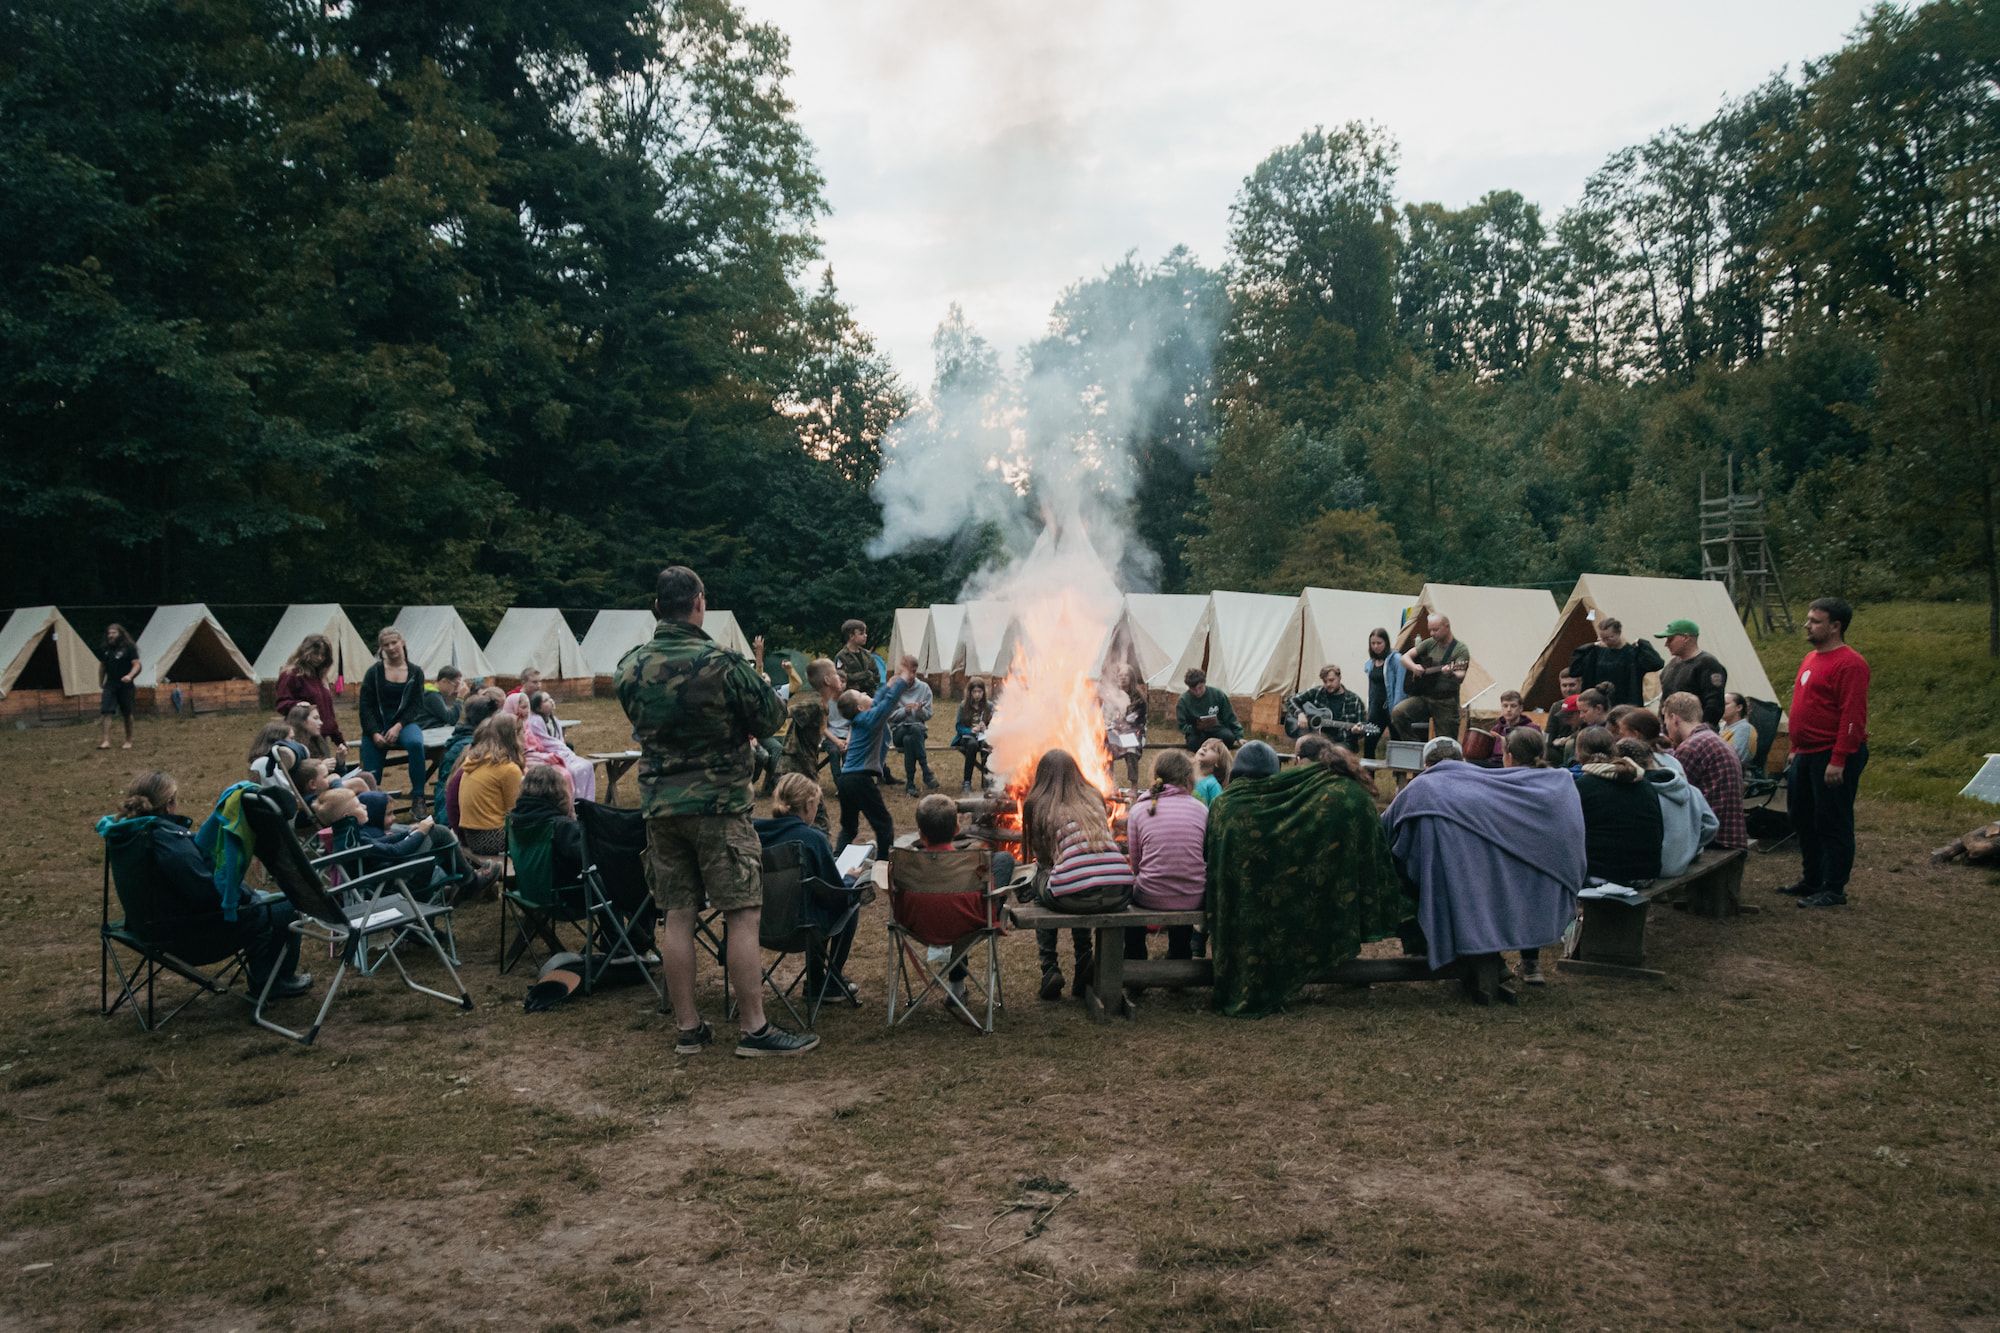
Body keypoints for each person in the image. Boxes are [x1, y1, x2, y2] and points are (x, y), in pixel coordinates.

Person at [614, 565, 811, 1057]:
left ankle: (688, 1028)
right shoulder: (722, 663)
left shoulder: (630, 666)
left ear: (658, 607)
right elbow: (772, 716)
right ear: (699, 603)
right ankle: (754, 1029)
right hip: (719, 805)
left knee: (677, 915)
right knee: (741, 912)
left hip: (660, 806)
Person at [1204, 740, 1403, 1017]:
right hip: (1323, 895)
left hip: (1245, 905)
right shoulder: (1337, 794)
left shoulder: (1226, 804)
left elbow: (1209, 855)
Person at [1381, 743, 1585, 988]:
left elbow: (1385, 830)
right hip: (1492, 874)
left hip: (1447, 880)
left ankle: (1457, 955)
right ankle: (1526, 964)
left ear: (1426, 766)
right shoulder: (1489, 786)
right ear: (1463, 761)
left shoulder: (1422, 787)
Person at [97, 772, 309, 998]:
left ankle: (265, 975)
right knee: (285, 905)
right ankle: (274, 981)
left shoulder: (127, 832)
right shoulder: (165, 841)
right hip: (187, 936)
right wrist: (246, 895)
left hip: (146, 925)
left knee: (263, 898)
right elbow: (207, 895)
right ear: (170, 804)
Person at [1023, 749, 1134, 1000]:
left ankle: (1049, 967)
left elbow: (1043, 858)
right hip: (1119, 890)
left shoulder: (1039, 803)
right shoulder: (1093, 796)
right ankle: (1084, 959)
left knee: (1044, 875)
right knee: (1079, 877)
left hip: (1075, 893)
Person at [1783, 597, 1870, 908]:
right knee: (1801, 817)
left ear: (1835, 626)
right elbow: (1805, 708)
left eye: (1815, 621)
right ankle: (1812, 879)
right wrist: (1795, 747)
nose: (1807, 625)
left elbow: (1852, 715)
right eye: (1808, 619)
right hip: (1806, 752)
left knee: (1832, 821)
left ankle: (1834, 887)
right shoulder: (1810, 658)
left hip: (1832, 753)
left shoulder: (1850, 663)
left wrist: (1839, 759)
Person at [755, 773, 866, 1004]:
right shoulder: (811, 838)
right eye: (816, 805)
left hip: (756, 926)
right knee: (850, 903)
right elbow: (834, 894)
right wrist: (848, 879)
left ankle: (818, 982)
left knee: (816, 901)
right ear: (807, 806)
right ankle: (828, 982)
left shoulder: (756, 834)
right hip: (801, 929)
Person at [903, 792, 1017, 1014]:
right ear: (957, 829)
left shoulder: (908, 863)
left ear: (920, 833)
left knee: (954, 905)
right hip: (969, 924)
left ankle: (957, 987)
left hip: (917, 925)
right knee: (1003, 860)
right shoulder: (972, 864)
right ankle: (956, 987)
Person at [1122, 750, 1206, 964]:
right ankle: (1180, 953)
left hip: (1150, 894)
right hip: (1193, 895)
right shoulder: (1201, 810)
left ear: (1156, 776)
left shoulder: (1140, 810)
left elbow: (1136, 863)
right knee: (1184, 885)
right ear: (1189, 778)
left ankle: (1135, 956)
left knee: (1127, 893)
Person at [832, 656, 919, 853]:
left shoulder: (863, 717)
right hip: (860, 780)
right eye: (860, 694)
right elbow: (887, 704)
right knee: (884, 825)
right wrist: (904, 680)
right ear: (860, 707)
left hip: (846, 780)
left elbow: (877, 701)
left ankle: (837, 861)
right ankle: (883, 865)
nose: (864, 692)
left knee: (849, 827)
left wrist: (888, 685)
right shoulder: (870, 719)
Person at [1571, 726, 1663, 883]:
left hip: (1604, 875)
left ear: (1579, 754)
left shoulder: (1583, 787)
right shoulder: (1642, 782)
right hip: (1647, 872)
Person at [358, 629, 431, 818]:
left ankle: (418, 798)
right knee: (371, 771)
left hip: (404, 722)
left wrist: (398, 726)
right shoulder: (374, 672)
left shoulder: (415, 672)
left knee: (416, 743)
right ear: (381, 648)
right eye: (386, 645)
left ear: (402, 642)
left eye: (394, 643)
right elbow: (365, 705)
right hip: (377, 722)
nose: (391, 648)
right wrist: (374, 732)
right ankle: (372, 807)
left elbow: (416, 705)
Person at [1663, 692, 1746, 851]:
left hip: (1715, 840)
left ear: (1674, 718)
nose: (1666, 728)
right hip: (1731, 835)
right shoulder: (1711, 738)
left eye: (1665, 720)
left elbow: (1673, 797)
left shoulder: (1692, 747)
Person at [1627, 737, 1717, 878]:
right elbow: (1712, 824)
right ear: (1651, 757)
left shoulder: (1638, 793)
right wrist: (1692, 847)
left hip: (1652, 866)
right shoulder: (1690, 788)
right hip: (1682, 862)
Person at [779, 658, 839, 831]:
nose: (840, 676)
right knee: (820, 823)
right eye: (835, 673)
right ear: (827, 680)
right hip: (795, 769)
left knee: (795, 822)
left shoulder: (822, 705)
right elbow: (787, 712)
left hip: (802, 768)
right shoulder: (814, 704)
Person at [456, 713, 526, 861]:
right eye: (522, 732)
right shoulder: (508, 769)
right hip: (491, 836)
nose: (525, 736)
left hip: (471, 836)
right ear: (514, 736)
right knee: (546, 829)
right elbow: (516, 810)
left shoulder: (478, 760)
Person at [1392, 614, 1470, 745]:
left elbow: (1461, 675)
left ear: (1447, 627)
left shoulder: (1460, 649)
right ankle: (1416, 747)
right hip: (1424, 696)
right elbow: (1404, 657)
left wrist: (1451, 673)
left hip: (1446, 702)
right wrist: (1414, 667)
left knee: (1446, 743)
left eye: (1436, 630)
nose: (1432, 633)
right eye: (1430, 630)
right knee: (1398, 713)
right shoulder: (1429, 643)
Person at [274, 634, 347, 761]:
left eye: (323, 655)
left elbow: (328, 713)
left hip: (321, 738)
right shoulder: (291, 674)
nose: (319, 658)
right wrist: (298, 704)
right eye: (315, 654)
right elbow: (281, 704)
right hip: (301, 736)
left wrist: (338, 738)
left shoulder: (320, 677)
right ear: (306, 651)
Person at [1567, 617, 1663, 709]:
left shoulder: (1633, 653)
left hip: (1627, 703)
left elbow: (1657, 664)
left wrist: (1643, 644)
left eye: (1610, 637)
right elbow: (1574, 670)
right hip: (1599, 705)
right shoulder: (1596, 653)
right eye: (1603, 638)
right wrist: (1590, 646)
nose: (1606, 642)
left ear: (1619, 633)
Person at [430, 691, 501, 814]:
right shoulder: (466, 747)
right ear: (485, 721)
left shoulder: (469, 738)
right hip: (456, 817)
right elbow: (448, 790)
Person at [525, 689, 597, 802]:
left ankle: (586, 801)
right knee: (573, 770)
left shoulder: (554, 720)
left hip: (561, 752)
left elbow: (559, 740)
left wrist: (563, 749)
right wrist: (561, 749)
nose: (551, 701)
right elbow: (545, 742)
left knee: (587, 765)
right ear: (538, 708)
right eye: (546, 700)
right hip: (548, 754)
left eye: (550, 698)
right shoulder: (535, 721)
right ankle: (573, 801)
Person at [1655, 619, 1727, 724]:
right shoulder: (1670, 666)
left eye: (1670, 639)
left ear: (1685, 638)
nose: (1666, 644)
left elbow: (1714, 704)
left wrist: (1700, 730)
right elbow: (1664, 701)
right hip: (1672, 732)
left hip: (1697, 732)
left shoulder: (1708, 664)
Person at [1282, 664, 1369, 747]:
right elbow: (1290, 700)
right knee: (1302, 746)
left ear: (1339, 678)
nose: (1328, 684)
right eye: (1325, 681)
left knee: (1336, 752)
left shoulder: (1355, 700)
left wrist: (1357, 730)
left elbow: (1362, 725)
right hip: (1317, 740)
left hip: (1343, 742)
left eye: (1331, 680)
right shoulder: (1317, 692)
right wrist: (1300, 714)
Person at [889, 669, 940, 797]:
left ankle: (910, 784)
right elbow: (889, 716)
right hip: (898, 731)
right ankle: (926, 770)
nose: (908, 678)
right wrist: (904, 711)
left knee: (910, 739)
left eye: (911, 674)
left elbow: (928, 715)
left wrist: (919, 711)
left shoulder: (924, 688)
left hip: (916, 734)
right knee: (913, 731)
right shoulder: (895, 688)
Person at [96, 623, 141, 750]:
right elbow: (102, 666)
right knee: (106, 711)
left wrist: (130, 676)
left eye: (114, 633)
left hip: (126, 685)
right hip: (110, 684)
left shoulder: (129, 648)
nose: (111, 635)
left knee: (127, 713)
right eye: (109, 633)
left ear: (120, 634)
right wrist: (100, 681)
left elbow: (137, 664)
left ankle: (128, 740)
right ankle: (105, 741)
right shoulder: (105, 649)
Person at [1362, 628, 1404, 761]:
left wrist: (1396, 709)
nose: (1376, 646)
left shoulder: (1396, 659)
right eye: (1373, 643)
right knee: (1369, 742)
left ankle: (1399, 779)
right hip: (1376, 708)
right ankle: (1367, 779)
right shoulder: (1370, 663)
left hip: (1392, 708)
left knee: (1397, 744)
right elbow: (1372, 688)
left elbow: (1399, 687)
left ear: (1386, 642)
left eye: (1379, 643)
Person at [1104, 664, 1148, 787]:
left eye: (1126, 675)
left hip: (1133, 732)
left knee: (1131, 750)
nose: (1123, 678)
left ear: (1131, 678)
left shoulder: (1138, 699)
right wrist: (1112, 725)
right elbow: (1106, 716)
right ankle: (1109, 783)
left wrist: (1123, 722)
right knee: (1106, 748)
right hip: (1115, 732)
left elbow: (1138, 721)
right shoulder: (1111, 696)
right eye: (1120, 676)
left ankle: (1134, 785)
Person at [1176, 668, 1241, 750]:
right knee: (1193, 743)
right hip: (1196, 733)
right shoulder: (1183, 700)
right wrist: (1195, 728)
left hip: (1218, 729)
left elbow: (1230, 717)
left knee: (1229, 738)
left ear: (1204, 683)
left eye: (1200, 688)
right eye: (1194, 689)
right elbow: (1182, 725)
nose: (1198, 692)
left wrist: (1239, 736)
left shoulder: (1218, 694)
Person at [1612, 706, 1683, 776]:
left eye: (1622, 734)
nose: (1619, 739)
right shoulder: (1672, 760)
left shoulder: (1642, 765)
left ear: (1635, 735)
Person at [953, 680, 995, 793]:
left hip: (983, 736)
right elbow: (958, 727)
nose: (977, 694)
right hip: (967, 737)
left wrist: (985, 729)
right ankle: (967, 781)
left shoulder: (989, 706)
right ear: (970, 692)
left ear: (983, 692)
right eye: (974, 691)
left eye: (979, 691)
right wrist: (971, 730)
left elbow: (995, 725)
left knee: (987, 745)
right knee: (972, 745)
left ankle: (987, 780)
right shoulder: (964, 705)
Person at [834, 619, 881, 697]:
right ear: (851, 636)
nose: (865, 636)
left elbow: (876, 675)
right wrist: (864, 675)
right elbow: (841, 678)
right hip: (852, 698)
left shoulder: (867, 654)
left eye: (865, 633)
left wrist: (870, 680)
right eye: (861, 633)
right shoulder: (841, 656)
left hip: (870, 696)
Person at [1542, 669, 1584, 748]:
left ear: (1580, 684)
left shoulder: (1587, 704)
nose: (1568, 689)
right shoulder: (1556, 707)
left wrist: (1568, 739)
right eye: (1564, 685)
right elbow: (1548, 734)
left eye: (1572, 685)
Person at [418, 665, 464, 729]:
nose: (456, 689)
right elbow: (452, 719)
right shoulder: (432, 695)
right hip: (427, 732)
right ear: (444, 681)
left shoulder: (428, 689)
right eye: (456, 685)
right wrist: (460, 698)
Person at [1719, 692, 1756, 763]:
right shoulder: (1721, 726)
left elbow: (1733, 758)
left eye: (1726, 704)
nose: (1721, 707)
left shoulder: (1744, 729)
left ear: (1739, 707)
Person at [1193, 738, 1231, 804]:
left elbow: (1217, 810)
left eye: (1212, 749)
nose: (1204, 748)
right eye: (1203, 746)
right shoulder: (1184, 775)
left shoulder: (1213, 785)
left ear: (1218, 762)